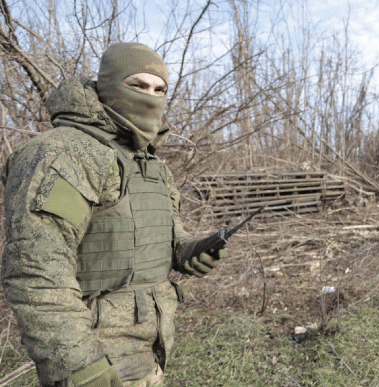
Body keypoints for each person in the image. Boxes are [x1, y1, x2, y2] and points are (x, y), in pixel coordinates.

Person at [1, 42, 227, 387]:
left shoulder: (149, 163)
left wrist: (186, 250)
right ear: (107, 85)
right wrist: (78, 367)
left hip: (149, 355)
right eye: (137, 85)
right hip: (95, 363)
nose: (150, 96)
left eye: (159, 89)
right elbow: (36, 273)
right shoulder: (63, 153)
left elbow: (158, 230)